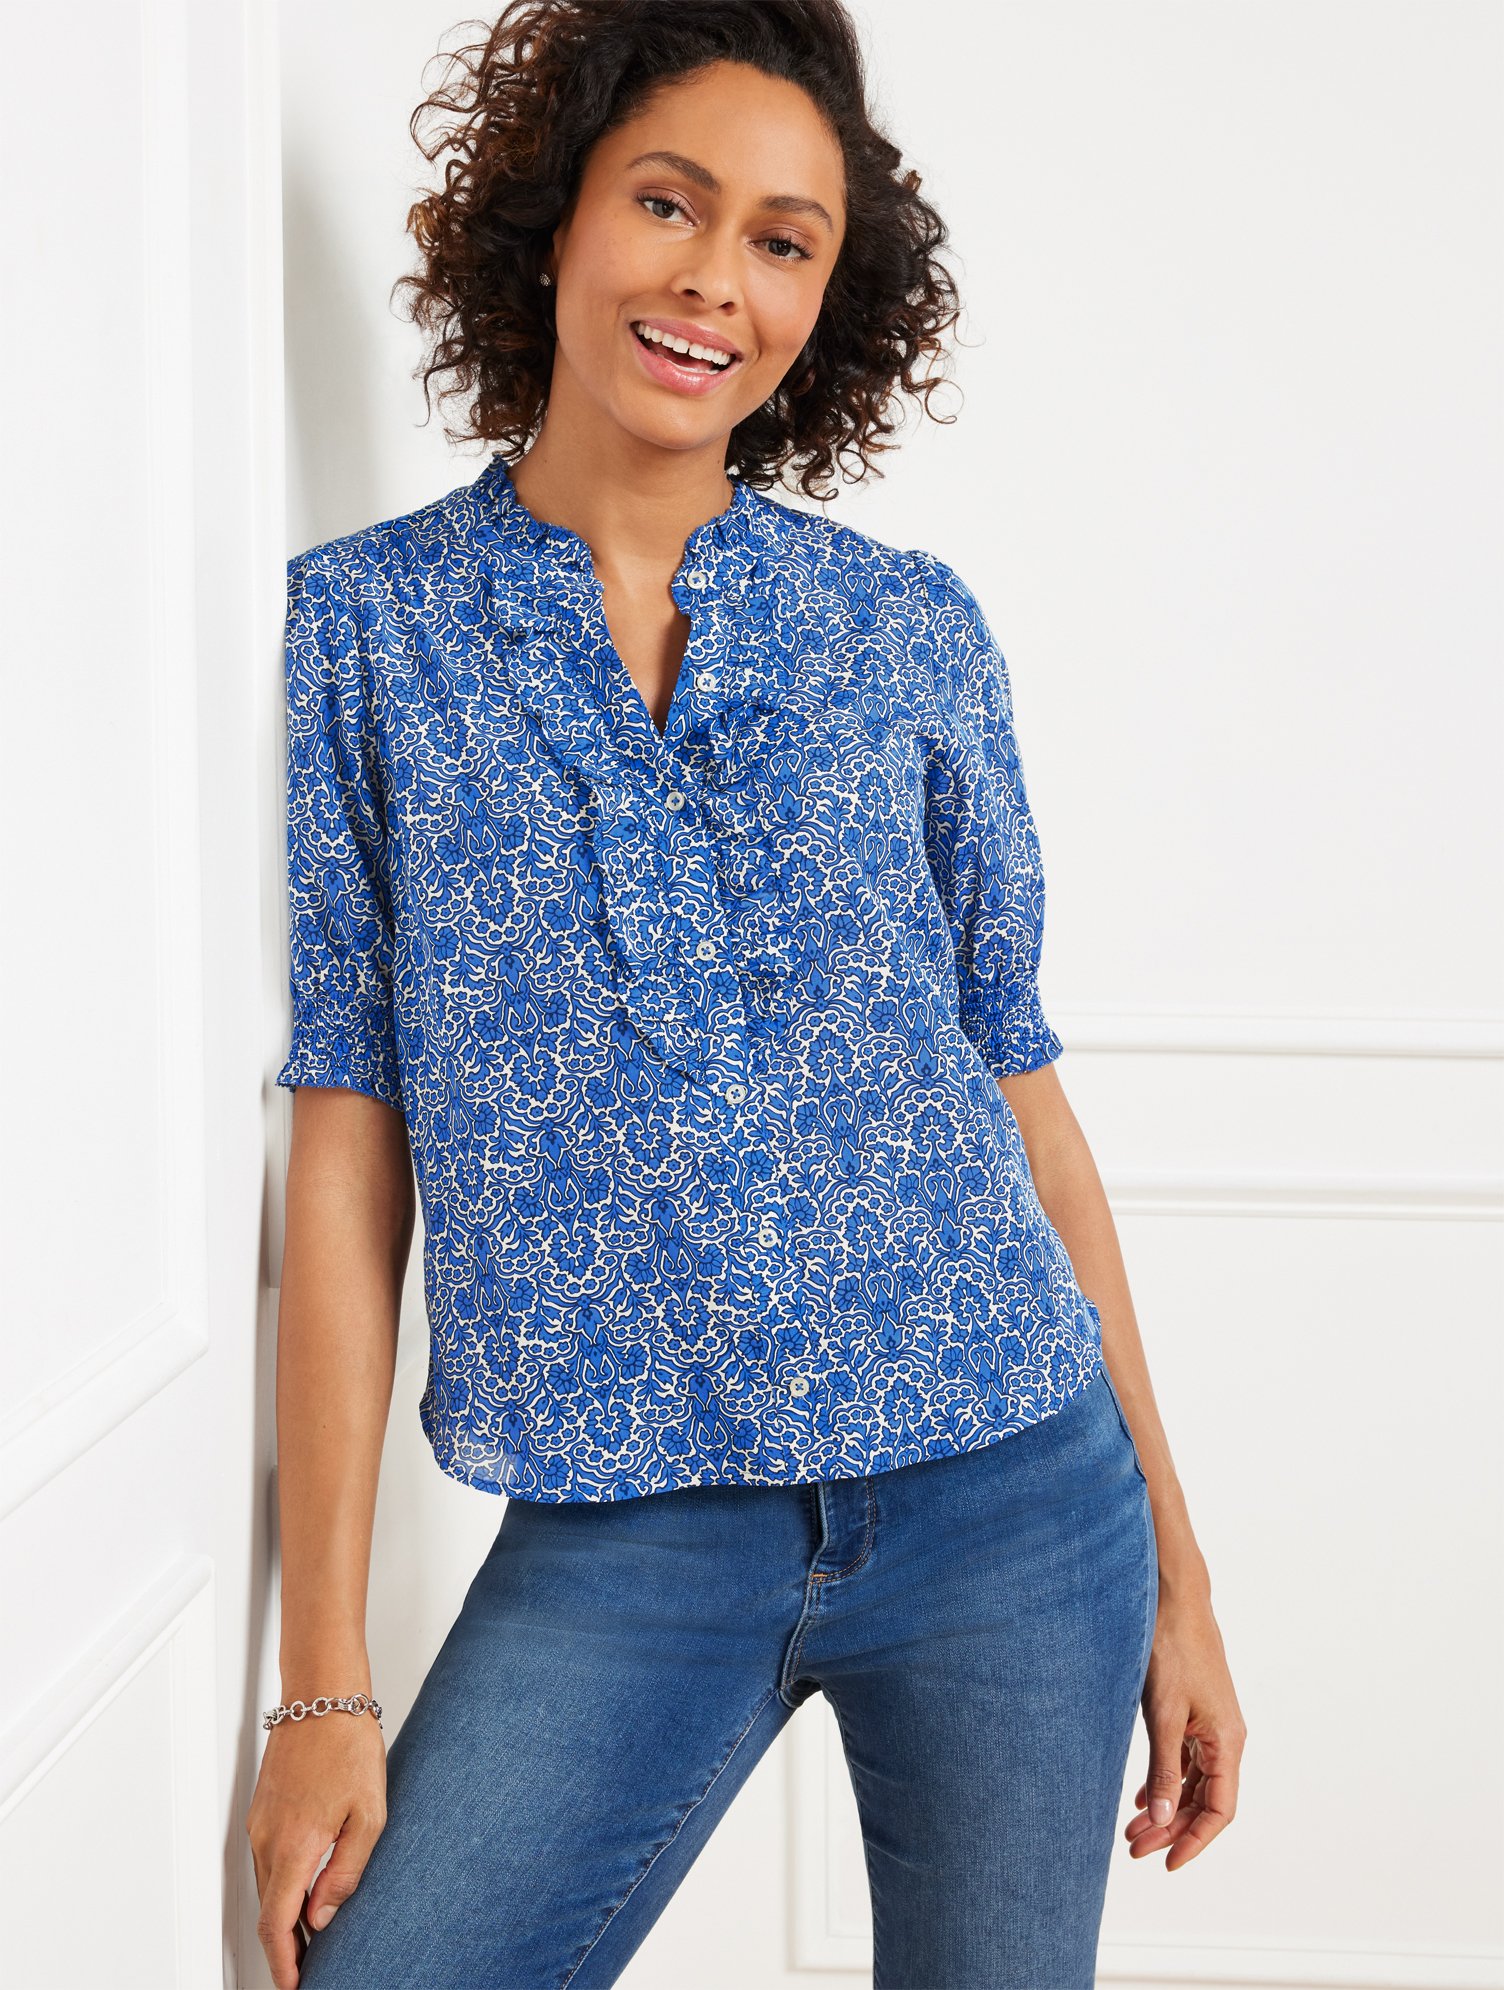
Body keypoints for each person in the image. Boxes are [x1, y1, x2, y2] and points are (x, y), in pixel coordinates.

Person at [246, 3, 1247, 1985]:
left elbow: (1022, 1103)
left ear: (825, 302)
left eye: (783, 241)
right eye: (667, 203)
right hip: (627, 1535)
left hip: (1015, 1494)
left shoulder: (908, 630)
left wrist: (1179, 1568)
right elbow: (352, 1158)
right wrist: (322, 1682)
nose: (717, 277)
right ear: (555, 218)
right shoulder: (364, 631)